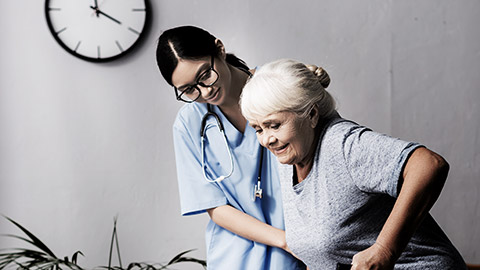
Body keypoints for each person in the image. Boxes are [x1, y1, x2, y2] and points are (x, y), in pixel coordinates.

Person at [240, 59, 467, 270]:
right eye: (259, 129)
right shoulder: (289, 154)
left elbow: (429, 164)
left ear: (311, 115)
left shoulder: (343, 144)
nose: (267, 139)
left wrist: (385, 250)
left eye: (275, 125)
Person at [155, 26, 305, 269]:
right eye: (189, 90)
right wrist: (285, 241)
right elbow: (215, 207)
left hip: (302, 246)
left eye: (205, 75)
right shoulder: (188, 124)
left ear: (220, 49)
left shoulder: (279, 83)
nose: (205, 92)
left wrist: (301, 243)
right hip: (237, 256)